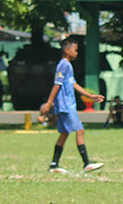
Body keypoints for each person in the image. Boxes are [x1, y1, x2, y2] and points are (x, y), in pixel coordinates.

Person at [40, 37, 105, 173]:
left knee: (64, 133)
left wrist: (89, 96)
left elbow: (73, 83)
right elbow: (57, 85)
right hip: (66, 104)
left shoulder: (67, 65)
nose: (77, 53)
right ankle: (86, 163)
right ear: (67, 50)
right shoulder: (64, 64)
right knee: (80, 130)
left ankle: (54, 165)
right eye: (75, 50)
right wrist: (49, 102)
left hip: (67, 104)